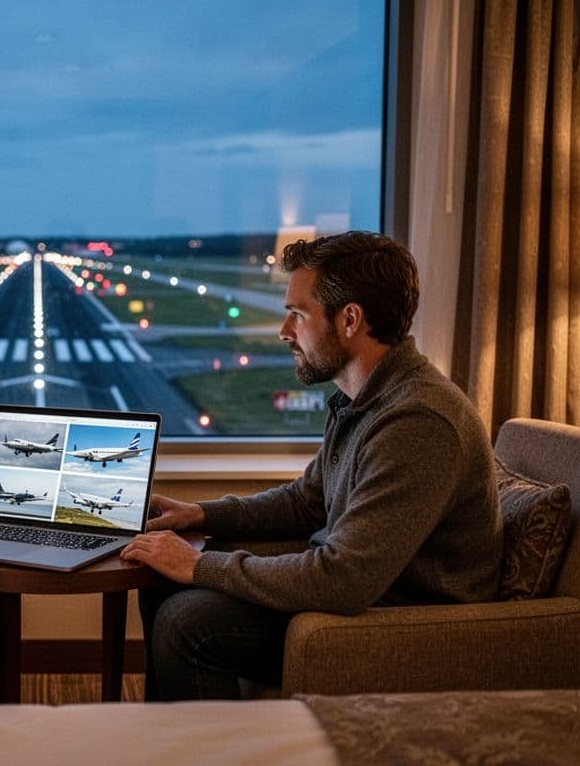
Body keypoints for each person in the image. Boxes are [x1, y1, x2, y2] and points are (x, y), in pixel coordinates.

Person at [121, 231, 501, 701]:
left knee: (187, 623)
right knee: (163, 583)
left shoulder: (418, 422)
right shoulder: (361, 397)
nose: (284, 331)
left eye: (298, 315)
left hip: (404, 619)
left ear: (350, 320)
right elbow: (307, 502)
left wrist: (200, 565)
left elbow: (342, 580)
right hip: (367, 592)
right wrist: (201, 514)